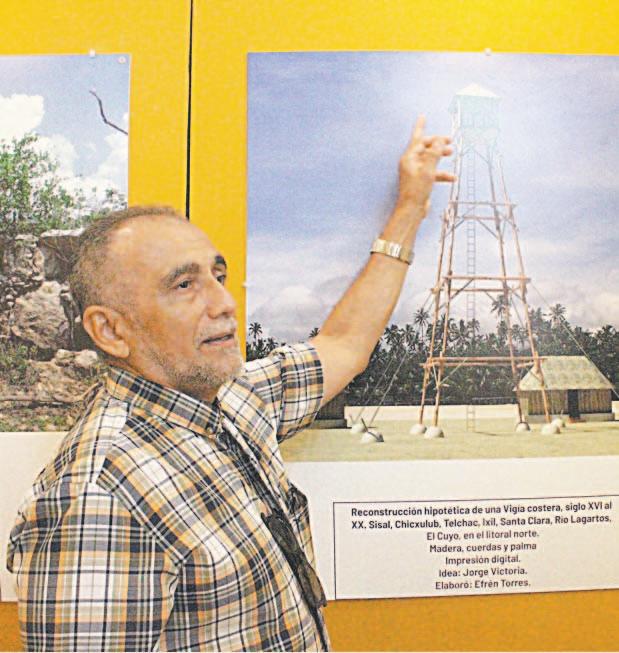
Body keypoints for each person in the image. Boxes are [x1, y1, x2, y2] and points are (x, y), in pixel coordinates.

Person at [7, 116, 453, 651]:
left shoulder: (235, 399)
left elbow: (344, 345)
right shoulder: (98, 500)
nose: (224, 302)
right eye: (183, 284)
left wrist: (411, 207)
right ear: (110, 330)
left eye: (217, 276)